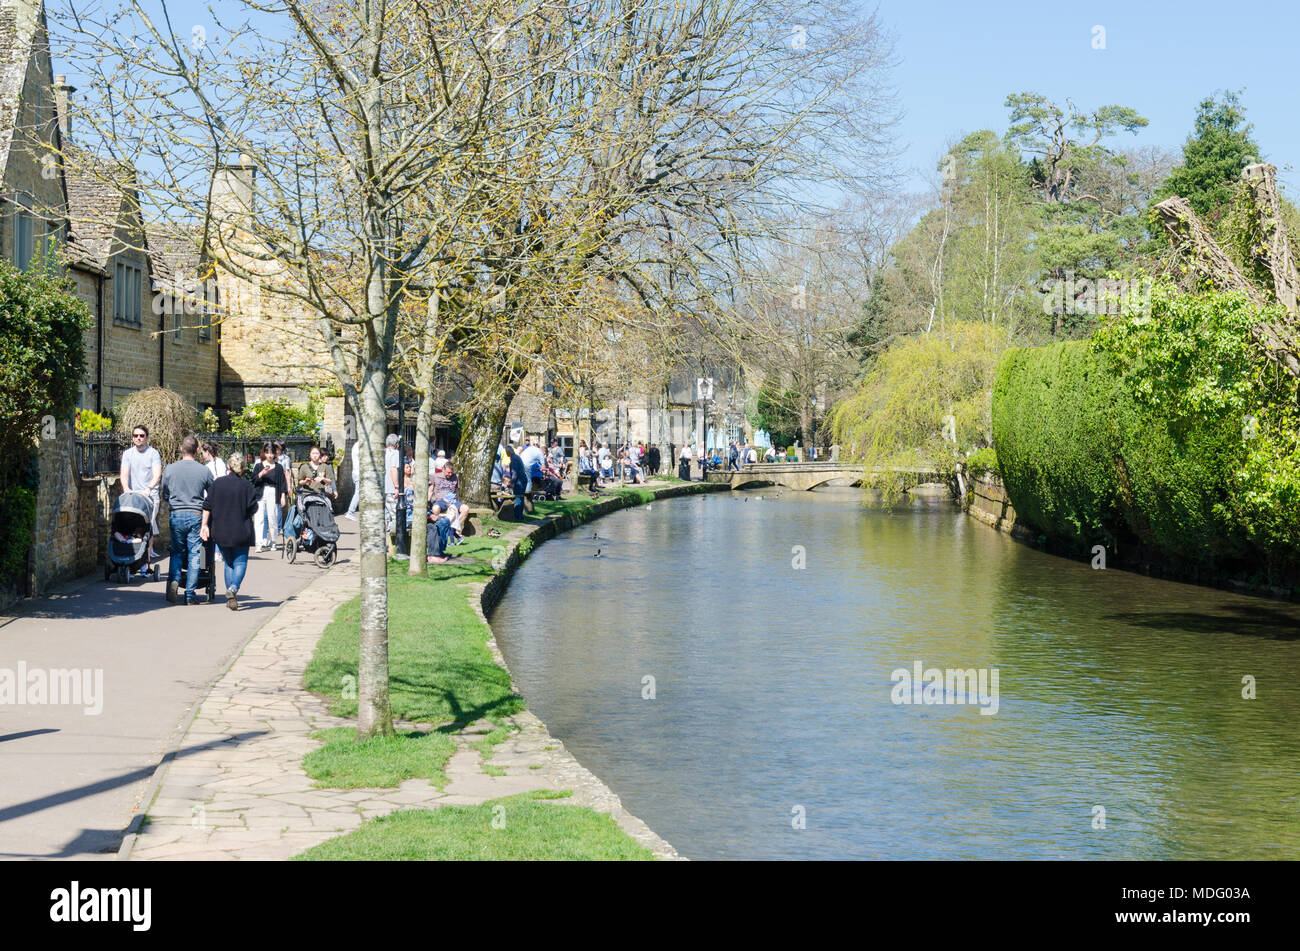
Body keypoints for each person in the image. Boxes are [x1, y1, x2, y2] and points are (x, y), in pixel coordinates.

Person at [201, 453, 259, 610]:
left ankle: (231, 597)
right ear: (242, 468)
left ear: (228, 466)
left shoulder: (217, 484)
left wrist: (204, 525)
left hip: (221, 530)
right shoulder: (247, 486)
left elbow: (207, 505)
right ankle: (233, 588)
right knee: (240, 562)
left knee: (229, 563)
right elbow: (253, 508)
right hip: (241, 529)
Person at [160, 434, 213, 605]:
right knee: (195, 553)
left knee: (176, 551)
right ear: (197, 450)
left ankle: (174, 580)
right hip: (196, 514)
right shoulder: (204, 471)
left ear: (181, 449)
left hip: (176, 512)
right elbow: (212, 493)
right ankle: (190, 593)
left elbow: (165, 492)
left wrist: (174, 499)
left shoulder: (169, 469)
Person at [120, 424, 163, 564]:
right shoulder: (128, 454)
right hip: (133, 496)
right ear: (133, 438)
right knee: (131, 523)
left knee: (147, 525)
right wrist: (126, 488)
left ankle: (147, 558)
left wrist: (149, 488)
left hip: (149, 497)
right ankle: (132, 554)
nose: (138, 438)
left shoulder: (153, 453)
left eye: (141, 436)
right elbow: (124, 474)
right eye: (135, 436)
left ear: (147, 438)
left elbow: (157, 475)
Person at [252, 442, 287, 551]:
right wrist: (261, 473)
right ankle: (258, 542)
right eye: (267, 453)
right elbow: (253, 480)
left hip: (273, 492)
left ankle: (273, 541)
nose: (270, 455)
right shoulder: (258, 465)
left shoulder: (279, 467)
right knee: (259, 518)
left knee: (273, 517)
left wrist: (283, 496)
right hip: (260, 493)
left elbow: (282, 482)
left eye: (272, 453)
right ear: (264, 453)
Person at [431, 459, 470, 538]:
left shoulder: (455, 477)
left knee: (465, 509)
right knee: (435, 509)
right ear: (443, 469)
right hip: (440, 500)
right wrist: (428, 501)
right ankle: (441, 529)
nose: (450, 474)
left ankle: (453, 528)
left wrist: (457, 502)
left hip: (452, 500)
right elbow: (430, 489)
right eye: (448, 472)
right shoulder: (435, 476)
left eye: (451, 472)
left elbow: (456, 491)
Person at [504, 444, 528, 520]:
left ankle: (518, 516)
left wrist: (511, 482)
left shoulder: (514, 459)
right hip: (523, 479)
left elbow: (515, 473)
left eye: (506, 452)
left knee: (518, 498)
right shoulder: (517, 457)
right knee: (520, 497)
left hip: (519, 481)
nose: (506, 453)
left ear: (508, 452)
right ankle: (520, 516)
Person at [345, 439, 361, 520]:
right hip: (359, 473)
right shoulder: (359, 446)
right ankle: (350, 512)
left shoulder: (356, 445)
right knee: (358, 492)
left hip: (356, 472)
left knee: (359, 492)